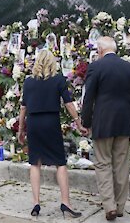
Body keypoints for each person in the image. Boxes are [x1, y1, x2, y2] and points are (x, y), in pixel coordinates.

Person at [18, 50, 86, 219]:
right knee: (60, 163)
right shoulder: (58, 80)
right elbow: (68, 104)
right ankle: (65, 202)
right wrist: (78, 122)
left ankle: (36, 203)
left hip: (34, 123)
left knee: (35, 163)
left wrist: (20, 129)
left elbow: (23, 107)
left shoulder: (28, 82)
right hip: (51, 122)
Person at [81, 36, 130, 221]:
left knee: (103, 163)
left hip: (103, 122)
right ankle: (120, 206)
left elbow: (88, 98)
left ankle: (109, 206)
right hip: (124, 123)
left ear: (99, 50)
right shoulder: (129, 67)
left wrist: (86, 122)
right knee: (121, 165)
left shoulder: (96, 67)